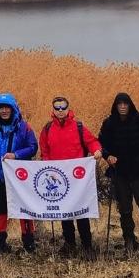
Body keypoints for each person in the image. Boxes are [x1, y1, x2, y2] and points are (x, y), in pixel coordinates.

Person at [38, 95, 103, 257]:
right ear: (53, 110)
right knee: (64, 212)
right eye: (57, 108)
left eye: (63, 108)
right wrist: (48, 167)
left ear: (68, 109)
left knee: (81, 212)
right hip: (58, 178)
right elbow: (44, 151)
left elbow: (92, 141)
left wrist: (96, 150)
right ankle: (70, 244)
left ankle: (87, 245)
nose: (60, 111)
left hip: (78, 179)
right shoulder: (47, 129)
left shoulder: (78, 127)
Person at [97, 92, 139, 254]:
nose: (123, 107)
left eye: (125, 104)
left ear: (130, 105)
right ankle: (129, 242)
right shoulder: (109, 123)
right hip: (120, 172)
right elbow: (101, 144)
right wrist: (108, 156)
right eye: (120, 104)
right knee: (124, 210)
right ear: (116, 106)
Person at [0, 92, 38, 254]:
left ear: (13, 109)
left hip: (20, 177)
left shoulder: (24, 127)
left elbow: (33, 147)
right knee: (0, 209)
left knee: (24, 208)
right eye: (1, 108)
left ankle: (29, 242)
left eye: (7, 108)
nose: (4, 111)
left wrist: (16, 155)